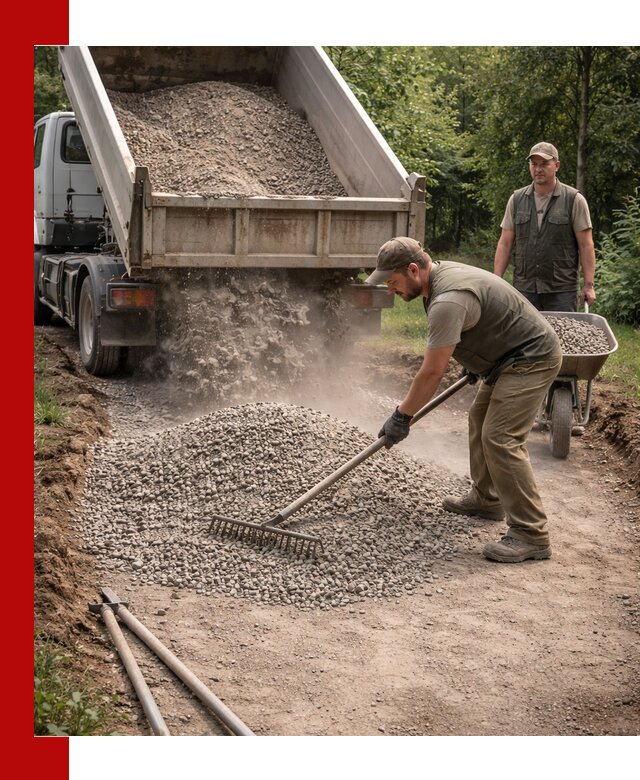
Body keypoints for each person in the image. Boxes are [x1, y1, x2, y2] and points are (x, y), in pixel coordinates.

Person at [366, 236, 562, 563]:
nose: (390, 291)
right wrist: (475, 362)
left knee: (500, 437)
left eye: (393, 282)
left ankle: (531, 534)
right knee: (479, 419)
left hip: (531, 357)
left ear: (413, 270)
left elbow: (431, 373)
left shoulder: (448, 300)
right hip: (506, 358)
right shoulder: (439, 280)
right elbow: (474, 324)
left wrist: (402, 416)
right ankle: (488, 500)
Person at [494, 141, 597, 312]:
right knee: (525, 338)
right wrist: (496, 280)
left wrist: (588, 285)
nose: (538, 169)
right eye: (534, 164)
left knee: (562, 338)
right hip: (525, 288)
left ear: (556, 166)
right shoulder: (517, 199)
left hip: (561, 291)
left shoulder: (574, 200)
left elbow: (586, 245)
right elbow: (505, 243)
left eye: (544, 164)